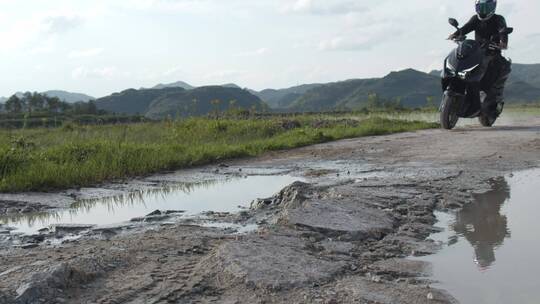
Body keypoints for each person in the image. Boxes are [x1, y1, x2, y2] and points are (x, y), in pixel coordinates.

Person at [448, 0, 512, 117]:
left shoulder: (498, 19)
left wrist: (502, 42)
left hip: (492, 52)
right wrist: (456, 34)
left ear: (493, 7)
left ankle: (486, 94)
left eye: (487, 7)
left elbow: (503, 31)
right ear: (476, 7)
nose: (483, 10)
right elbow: (466, 28)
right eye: (481, 7)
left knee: (492, 67)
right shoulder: (475, 19)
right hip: (476, 51)